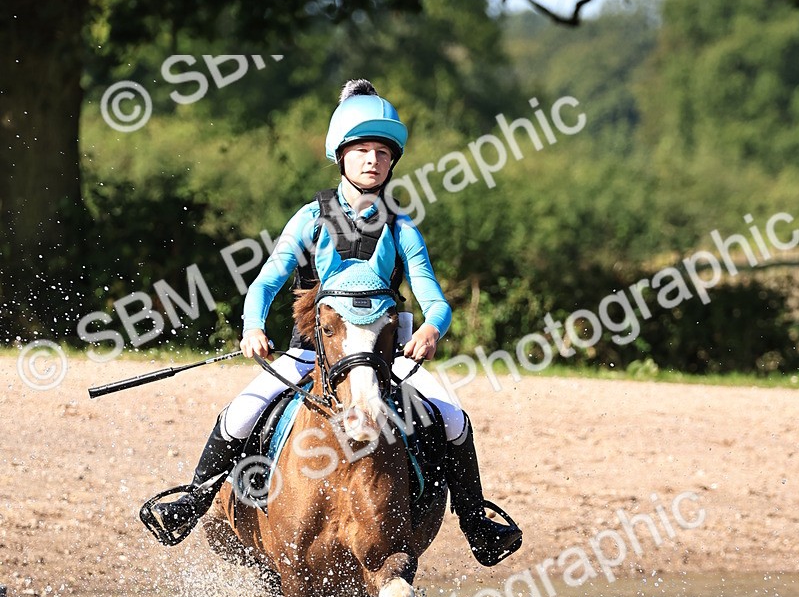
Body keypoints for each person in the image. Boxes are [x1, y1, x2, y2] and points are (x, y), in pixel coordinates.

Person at [141, 79, 522, 565]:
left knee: (452, 418)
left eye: (383, 153)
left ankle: (476, 523)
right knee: (240, 414)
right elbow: (264, 282)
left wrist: (430, 329)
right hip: (311, 353)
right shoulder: (309, 221)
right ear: (340, 156)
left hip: (387, 358)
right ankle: (194, 500)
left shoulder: (403, 230)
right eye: (362, 149)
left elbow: (437, 302)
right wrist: (253, 325)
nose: (373, 161)